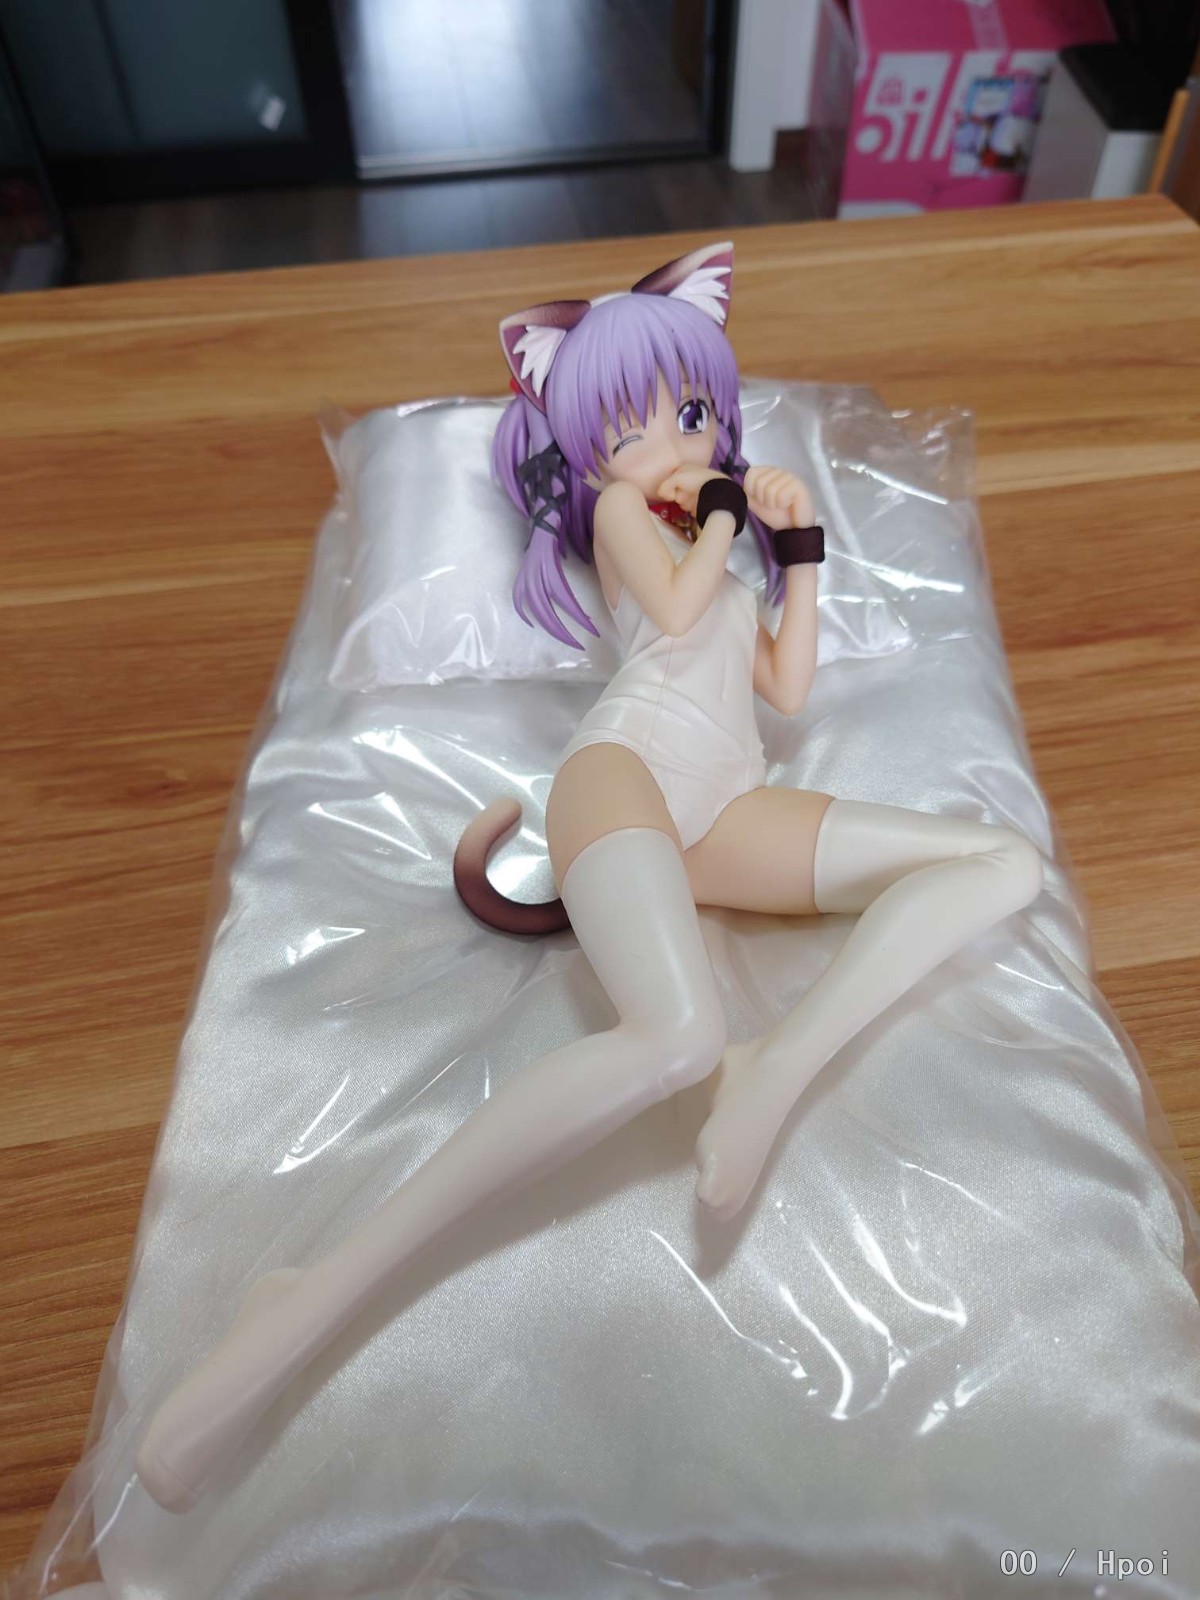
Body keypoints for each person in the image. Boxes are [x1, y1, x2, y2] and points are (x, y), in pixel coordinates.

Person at [136, 241, 1042, 1515]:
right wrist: (723, 510)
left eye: (691, 412)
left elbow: (786, 689)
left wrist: (799, 549)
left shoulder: (722, 550)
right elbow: (671, 616)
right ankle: (314, 1294)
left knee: (1001, 861)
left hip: (725, 804)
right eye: (632, 428)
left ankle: (781, 1067)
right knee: (675, 1036)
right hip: (621, 775)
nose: (670, 445)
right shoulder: (628, 519)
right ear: (590, 453)